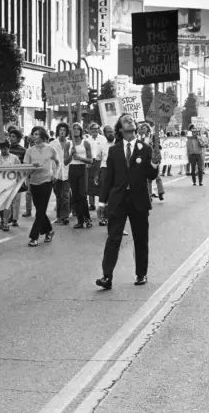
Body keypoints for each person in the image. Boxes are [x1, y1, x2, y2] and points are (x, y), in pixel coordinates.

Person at [95, 114, 160, 289]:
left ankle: (141, 274)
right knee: (113, 239)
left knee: (140, 238)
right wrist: (102, 202)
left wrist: (154, 163)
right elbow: (108, 178)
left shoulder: (145, 148)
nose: (130, 121)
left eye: (132, 119)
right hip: (118, 201)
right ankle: (106, 277)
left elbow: (150, 175)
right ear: (120, 129)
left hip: (138, 201)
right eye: (126, 120)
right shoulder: (114, 150)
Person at [23, 126, 59, 247]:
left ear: (43, 135)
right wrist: (32, 165)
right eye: (33, 134)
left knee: (41, 210)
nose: (34, 136)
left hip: (46, 181)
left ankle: (34, 237)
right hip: (34, 182)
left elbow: (57, 163)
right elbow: (25, 166)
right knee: (40, 210)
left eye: (37, 134)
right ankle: (49, 231)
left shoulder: (50, 149)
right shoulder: (29, 151)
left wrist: (55, 174)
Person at [67, 122, 93, 229]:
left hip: (82, 169)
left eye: (78, 129)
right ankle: (80, 220)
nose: (76, 130)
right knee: (75, 196)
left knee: (82, 195)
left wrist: (80, 158)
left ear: (81, 131)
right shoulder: (68, 144)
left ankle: (88, 219)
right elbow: (65, 161)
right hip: (72, 169)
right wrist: (70, 155)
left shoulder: (85, 143)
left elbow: (91, 160)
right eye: (74, 129)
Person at [0, 141, 21, 232]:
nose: (3, 150)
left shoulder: (14, 158)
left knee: (8, 204)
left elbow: (20, 170)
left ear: (8, 148)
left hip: (11, 184)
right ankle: (2, 220)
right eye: (1, 148)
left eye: (5, 148)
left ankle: (6, 223)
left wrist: (18, 182)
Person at [51, 123, 72, 225]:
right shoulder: (53, 144)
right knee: (58, 195)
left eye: (64, 130)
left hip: (67, 173)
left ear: (67, 132)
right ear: (58, 131)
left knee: (66, 195)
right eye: (60, 130)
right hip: (56, 173)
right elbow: (50, 159)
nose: (62, 132)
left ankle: (65, 216)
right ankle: (59, 216)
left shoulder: (70, 143)